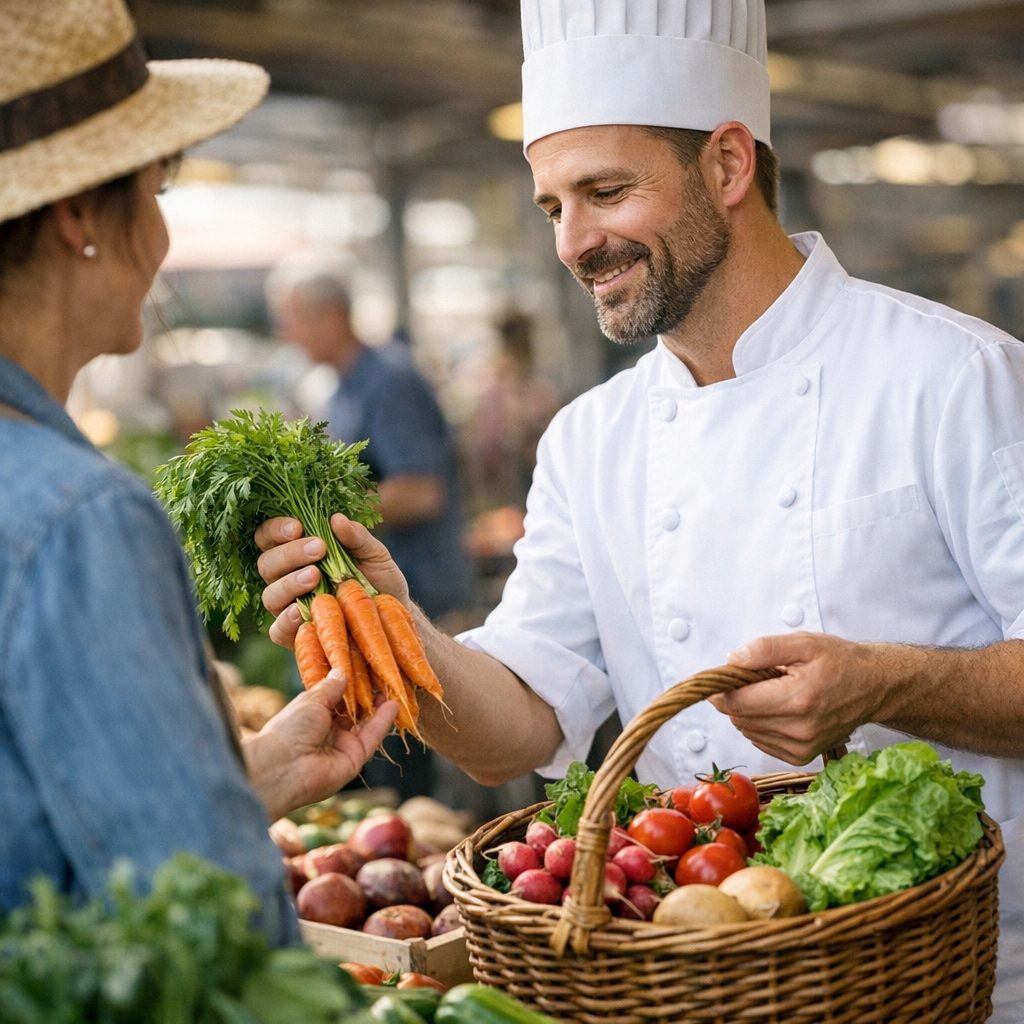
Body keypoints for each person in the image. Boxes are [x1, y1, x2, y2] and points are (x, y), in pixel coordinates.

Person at [255, 0, 1023, 1014]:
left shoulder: (955, 377)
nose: (573, 243)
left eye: (604, 193)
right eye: (551, 208)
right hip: (677, 977)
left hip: (951, 983)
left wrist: (885, 683)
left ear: (728, 165)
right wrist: (397, 633)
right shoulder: (591, 439)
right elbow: (520, 726)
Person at [0, 0, 396, 945]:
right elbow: (207, 918)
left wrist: (251, 777)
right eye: (158, 190)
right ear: (78, 217)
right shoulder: (81, 517)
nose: (163, 237)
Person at [265, 256, 471, 800]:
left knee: (404, 757)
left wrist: (322, 521)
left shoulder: (390, 381)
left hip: (411, 598)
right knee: (370, 747)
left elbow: (421, 490)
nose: (283, 333)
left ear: (328, 318)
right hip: (365, 606)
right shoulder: (335, 387)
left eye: (288, 319)